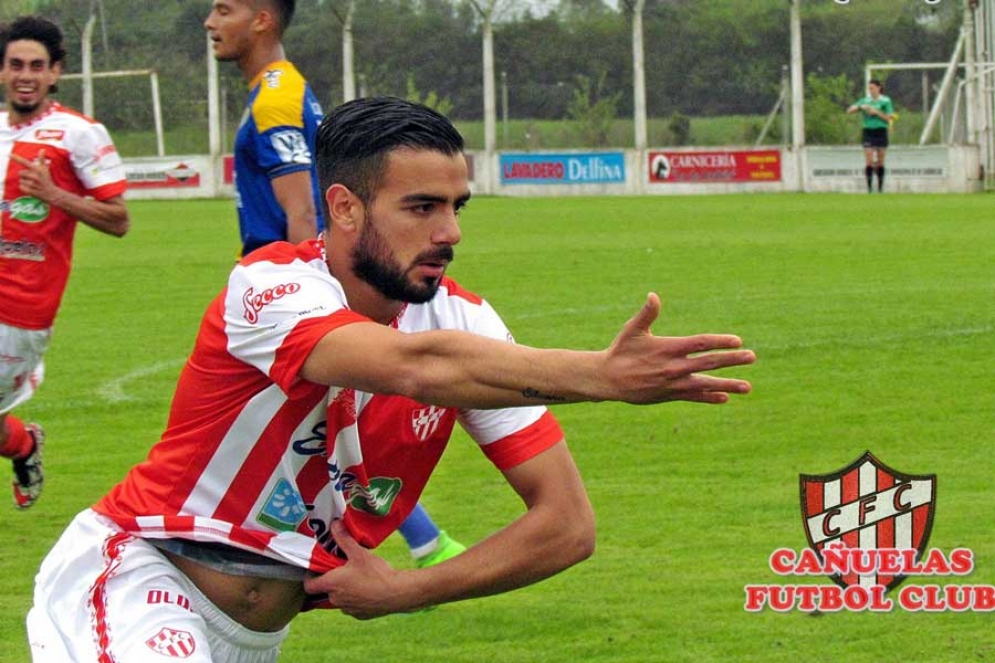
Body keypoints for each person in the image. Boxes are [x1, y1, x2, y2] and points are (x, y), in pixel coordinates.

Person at [28, 96, 755, 662]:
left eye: (455, 206)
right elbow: (415, 367)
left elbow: (565, 526)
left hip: (252, 637)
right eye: (421, 207)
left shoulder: (466, 323)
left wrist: (408, 588)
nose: (450, 232)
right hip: (138, 575)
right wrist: (601, 375)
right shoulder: (271, 284)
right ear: (344, 207)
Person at [205, 0, 463, 568]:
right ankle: (423, 540)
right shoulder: (282, 89)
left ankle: (415, 545)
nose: (210, 22)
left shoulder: (275, 98)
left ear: (262, 19)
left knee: (311, 438)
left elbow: (302, 210)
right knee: (328, 437)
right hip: (301, 296)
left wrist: (320, 298)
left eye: (223, 9)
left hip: (292, 302)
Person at [0, 15, 129, 510]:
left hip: (22, 309)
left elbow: (118, 219)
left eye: (37, 65)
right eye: (16, 65)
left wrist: (54, 194)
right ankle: (23, 444)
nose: (26, 74)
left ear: (55, 72)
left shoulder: (78, 134)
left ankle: (23, 444)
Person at [846, 79, 895, 193]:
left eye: (872, 88)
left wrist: (876, 112)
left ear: (879, 88)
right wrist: (860, 107)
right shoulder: (865, 100)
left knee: (880, 161)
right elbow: (849, 110)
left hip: (881, 131)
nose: (870, 90)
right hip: (868, 131)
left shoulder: (885, 100)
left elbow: (890, 118)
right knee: (868, 160)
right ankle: (869, 189)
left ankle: (880, 188)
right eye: (869, 88)